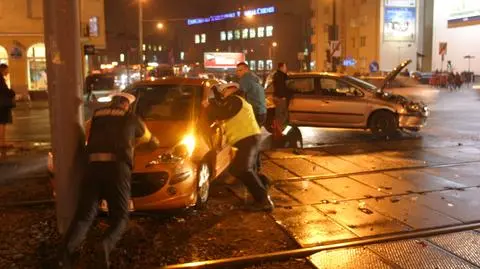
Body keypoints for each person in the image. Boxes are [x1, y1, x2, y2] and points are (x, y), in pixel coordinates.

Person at [61, 92, 160, 268]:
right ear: (126, 104)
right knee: (120, 217)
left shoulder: (97, 115)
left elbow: (87, 137)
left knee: (85, 216)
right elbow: (150, 140)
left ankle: (65, 256)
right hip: (117, 170)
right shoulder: (130, 117)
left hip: (93, 168)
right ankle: (105, 245)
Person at [203, 82, 274, 211]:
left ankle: (264, 201)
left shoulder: (236, 100)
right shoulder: (234, 101)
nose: (223, 93)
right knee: (239, 169)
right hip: (245, 139)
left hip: (248, 138)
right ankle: (263, 183)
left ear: (233, 89)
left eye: (224, 90)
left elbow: (222, 112)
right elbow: (221, 112)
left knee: (242, 169)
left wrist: (208, 106)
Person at [235, 62, 267, 128]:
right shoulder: (254, 77)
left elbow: (239, 93)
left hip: (255, 111)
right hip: (262, 111)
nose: (238, 72)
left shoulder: (245, 78)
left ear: (246, 70)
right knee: (256, 132)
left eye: (240, 70)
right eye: (237, 71)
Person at [272, 62, 292, 132]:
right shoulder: (280, 76)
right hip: (280, 98)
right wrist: (283, 96)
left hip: (278, 97)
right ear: (281, 67)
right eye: (285, 67)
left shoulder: (278, 75)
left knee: (282, 115)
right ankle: (280, 131)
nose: (286, 69)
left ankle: (280, 130)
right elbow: (281, 87)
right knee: (282, 115)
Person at [0, 64, 15, 149]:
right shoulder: (0, 79)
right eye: (7, 70)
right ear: (3, 69)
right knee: (2, 122)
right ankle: (2, 142)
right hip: (2, 104)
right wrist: (12, 92)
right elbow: (4, 90)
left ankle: (2, 141)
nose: (8, 72)